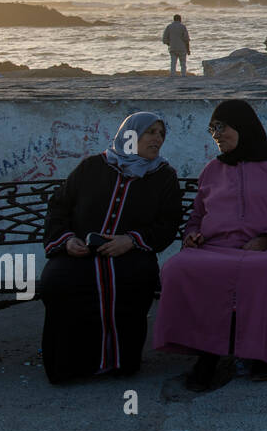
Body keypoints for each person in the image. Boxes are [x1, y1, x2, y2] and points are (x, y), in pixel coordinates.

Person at [154, 100, 267, 389]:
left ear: (241, 125)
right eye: (210, 129)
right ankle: (207, 351)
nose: (215, 134)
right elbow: (197, 216)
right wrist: (192, 235)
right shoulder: (212, 170)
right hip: (218, 248)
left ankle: (263, 354)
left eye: (220, 127)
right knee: (177, 268)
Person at [40, 111, 182, 383]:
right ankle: (68, 365)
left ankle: (120, 362)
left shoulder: (163, 176)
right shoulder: (92, 167)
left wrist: (130, 240)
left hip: (131, 252)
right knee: (58, 281)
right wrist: (68, 240)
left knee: (132, 279)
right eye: (150, 132)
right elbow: (59, 207)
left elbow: (168, 223)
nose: (158, 139)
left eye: (161, 134)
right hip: (79, 252)